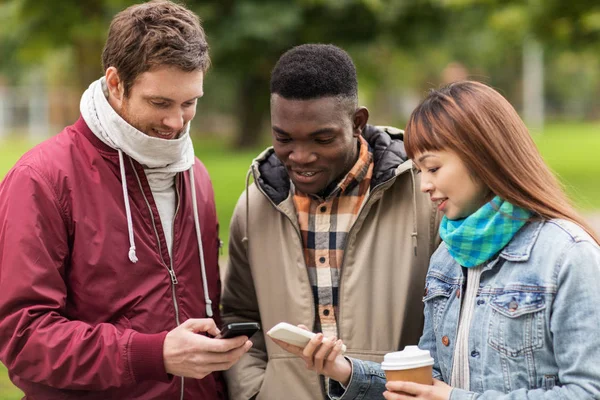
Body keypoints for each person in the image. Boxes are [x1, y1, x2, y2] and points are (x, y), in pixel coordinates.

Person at [282, 80, 600, 399]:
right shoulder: (447, 257)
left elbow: (589, 391)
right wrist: (344, 369)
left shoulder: (568, 255)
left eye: (433, 167)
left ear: (483, 156)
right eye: (419, 170)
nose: (424, 185)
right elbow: (431, 382)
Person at [0, 1, 251, 399]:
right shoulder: (42, 179)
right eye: (160, 103)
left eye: (189, 103)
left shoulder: (195, 174)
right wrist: (153, 354)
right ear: (115, 83)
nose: (176, 122)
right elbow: (23, 336)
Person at [220, 43, 440, 400]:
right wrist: (255, 391)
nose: (301, 156)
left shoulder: (425, 195)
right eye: (284, 138)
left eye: (322, 139)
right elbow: (239, 316)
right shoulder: (254, 207)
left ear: (357, 123)